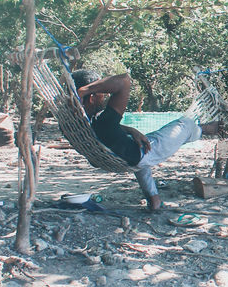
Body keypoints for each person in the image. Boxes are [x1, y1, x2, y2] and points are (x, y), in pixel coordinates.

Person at [71, 70, 220, 211]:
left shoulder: (81, 122)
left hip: (128, 154)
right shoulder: (104, 121)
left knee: (142, 157)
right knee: (185, 124)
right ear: (91, 97)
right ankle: (207, 129)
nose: (104, 96)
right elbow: (124, 81)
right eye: (102, 93)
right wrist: (84, 90)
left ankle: (154, 199)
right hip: (143, 153)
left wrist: (130, 129)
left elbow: (104, 128)